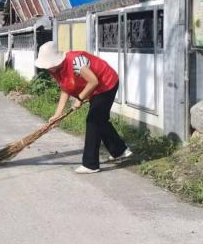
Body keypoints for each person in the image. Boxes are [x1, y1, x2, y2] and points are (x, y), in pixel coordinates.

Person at [34, 42, 132, 174]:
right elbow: (65, 89)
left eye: (49, 64)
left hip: (106, 83)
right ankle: (120, 151)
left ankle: (90, 164)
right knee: (100, 120)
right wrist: (57, 114)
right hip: (94, 89)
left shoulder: (76, 62)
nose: (48, 68)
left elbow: (94, 81)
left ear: (56, 60)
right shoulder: (55, 70)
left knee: (93, 120)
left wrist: (79, 98)